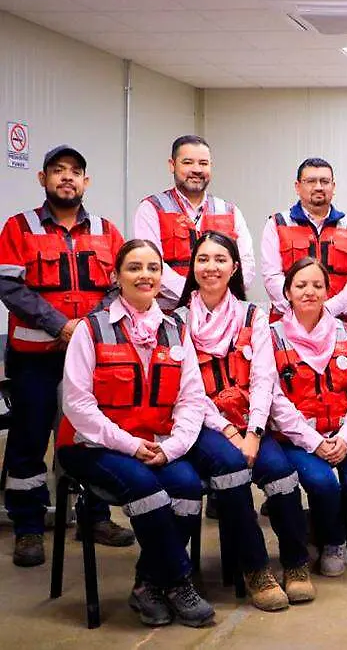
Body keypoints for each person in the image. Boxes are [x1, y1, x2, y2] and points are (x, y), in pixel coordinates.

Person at [58, 239, 266, 626]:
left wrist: (171, 449)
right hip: (92, 445)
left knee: (186, 486)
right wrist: (132, 446)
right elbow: (78, 406)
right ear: (116, 276)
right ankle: (178, 581)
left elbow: (190, 399)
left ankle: (147, 585)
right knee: (149, 491)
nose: (145, 275)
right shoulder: (92, 329)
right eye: (134, 268)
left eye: (153, 268)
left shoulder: (174, 329)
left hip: (157, 442)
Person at [0, 145, 134, 566]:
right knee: (29, 437)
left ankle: (93, 516)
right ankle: (28, 526)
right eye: (57, 171)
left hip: (93, 354)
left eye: (75, 172)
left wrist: (87, 328)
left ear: (86, 181)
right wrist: (61, 325)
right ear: (43, 179)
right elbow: (10, 287)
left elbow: (118, 287)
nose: (67, 178)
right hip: (34, 355)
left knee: (89, 434)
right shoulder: (18, 228)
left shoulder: (107, 230)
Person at [175, 231, 315, 606]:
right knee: (232, 472)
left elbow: (264, 379)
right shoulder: (178, 321)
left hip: (250, 421)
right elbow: (187, 391)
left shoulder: (254, 315)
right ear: (193, 266)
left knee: (283, 476)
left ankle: (296, 563)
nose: (211, 267)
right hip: (203, 425)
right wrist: (228, 432)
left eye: (220, 259)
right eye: (203, 259)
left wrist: (253, 431)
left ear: (234, 267)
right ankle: (255, 569)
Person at [269, 258, 347, 578]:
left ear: (327, 291)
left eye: (317, 285)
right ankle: (334, 539)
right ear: (287, 292)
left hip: (344, 432)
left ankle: (322, 521)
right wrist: (315, 442)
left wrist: (345, 439)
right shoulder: (272, 335)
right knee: (322, 483)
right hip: (298, 438)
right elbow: (276, 402)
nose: (309, 292)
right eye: (301, 285)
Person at [133, 135, 255, 308]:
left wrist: (217, 296)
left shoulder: (230, 211)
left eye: (203, 163)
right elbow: (152, 263)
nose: (196, 169)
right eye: (188, 162)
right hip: (169, 316)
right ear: (172, 165)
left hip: (223, 314)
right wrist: (197, 296)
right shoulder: (151, 208)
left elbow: (246, 263)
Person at [260, 157, 347, 323]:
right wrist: (300, 310)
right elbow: (272, 276)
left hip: (341, 324)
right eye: (311, 181)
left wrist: (328, 310)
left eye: (324, 181)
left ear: (333, 187)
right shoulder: (276, 225)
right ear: (297, 187)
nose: (318, 187)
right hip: (288, 325)